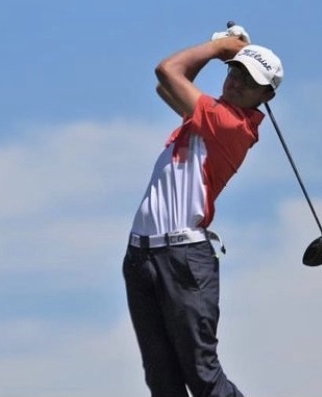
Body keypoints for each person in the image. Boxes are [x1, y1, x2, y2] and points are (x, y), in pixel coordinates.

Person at [122, 27, 284, 397]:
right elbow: (168, 88)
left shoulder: (229, 124)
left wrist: (220, 48)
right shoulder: (209, 115)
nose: (238, 83)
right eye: (236, 71)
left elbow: (167, 71)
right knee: (162, 382)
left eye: (251, 81)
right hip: (141, 256)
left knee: (202, 376)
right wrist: (222, 52)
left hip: (183, 258)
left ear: (267, 96)